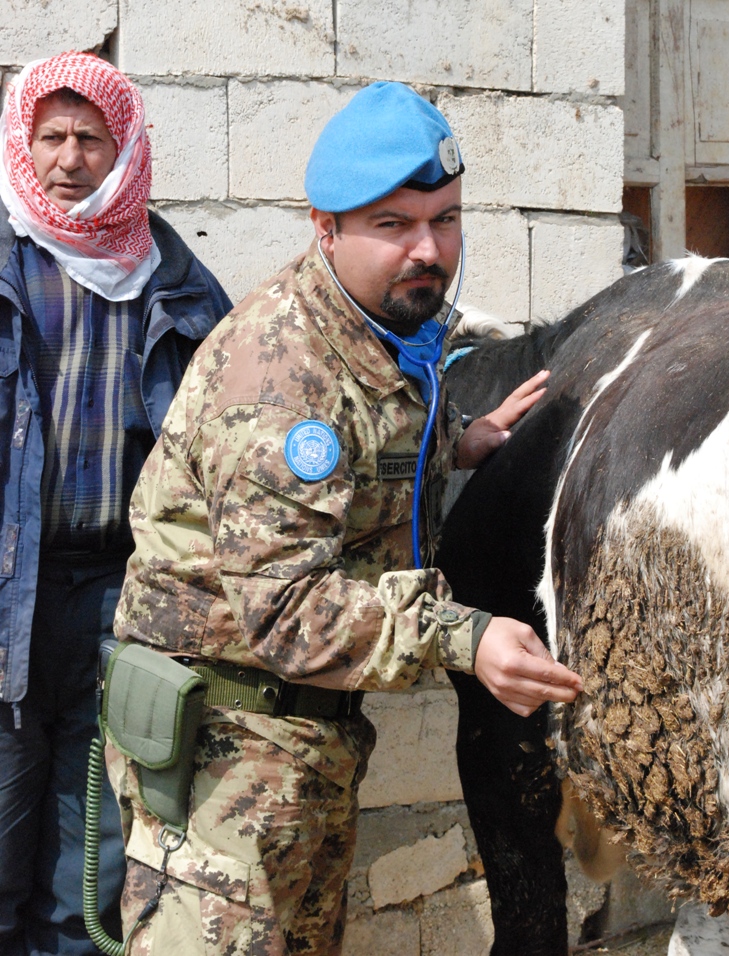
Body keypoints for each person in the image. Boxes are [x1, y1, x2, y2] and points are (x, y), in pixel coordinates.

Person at [108, 81, 583, 955]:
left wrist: (455, 447)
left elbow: (354, 465)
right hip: (228, 754)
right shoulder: (283, 377)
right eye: (393, 226)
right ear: (325, 229)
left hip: (297, 742)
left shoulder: (371, 330)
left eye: (445, 219)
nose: (428, 249)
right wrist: (465, 637)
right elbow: (287, 611)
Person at [0, 51, 232, 956]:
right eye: (49, 136)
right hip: (8, 600)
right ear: (24, 145)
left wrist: (445, 437)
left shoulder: (171, 279)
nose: (68, 158)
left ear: (124, 147)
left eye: (89, 138)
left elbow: (248, 421)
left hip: (119, 601)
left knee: (90, 863)